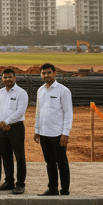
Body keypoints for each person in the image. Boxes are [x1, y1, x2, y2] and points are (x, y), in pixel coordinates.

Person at [34, 63, 73, 196]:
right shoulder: (40, 90)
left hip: (58, 134)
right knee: (49, 163)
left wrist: (65, 133)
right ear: (41, 74)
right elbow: (38, 111)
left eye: (49, 73)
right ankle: (52, 189)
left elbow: (68, 113)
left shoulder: (63, 91)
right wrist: (37, 130)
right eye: (43, 73)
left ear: (54, 73)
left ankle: (65, 190)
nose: (46, 75)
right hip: (44, 133)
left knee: (62, 162)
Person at [0, 68, 29, 194]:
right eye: (5, 77)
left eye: (10, 77)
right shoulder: (0, 92)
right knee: (6, 155)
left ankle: (20, 184)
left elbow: (20, 111)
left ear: (15, 78)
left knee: (19, 157)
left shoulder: (21, 93)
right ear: (2, 79)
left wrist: (5, 122)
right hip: (2, 128)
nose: (7, 79)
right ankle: (9, 181)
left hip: (16, 128)